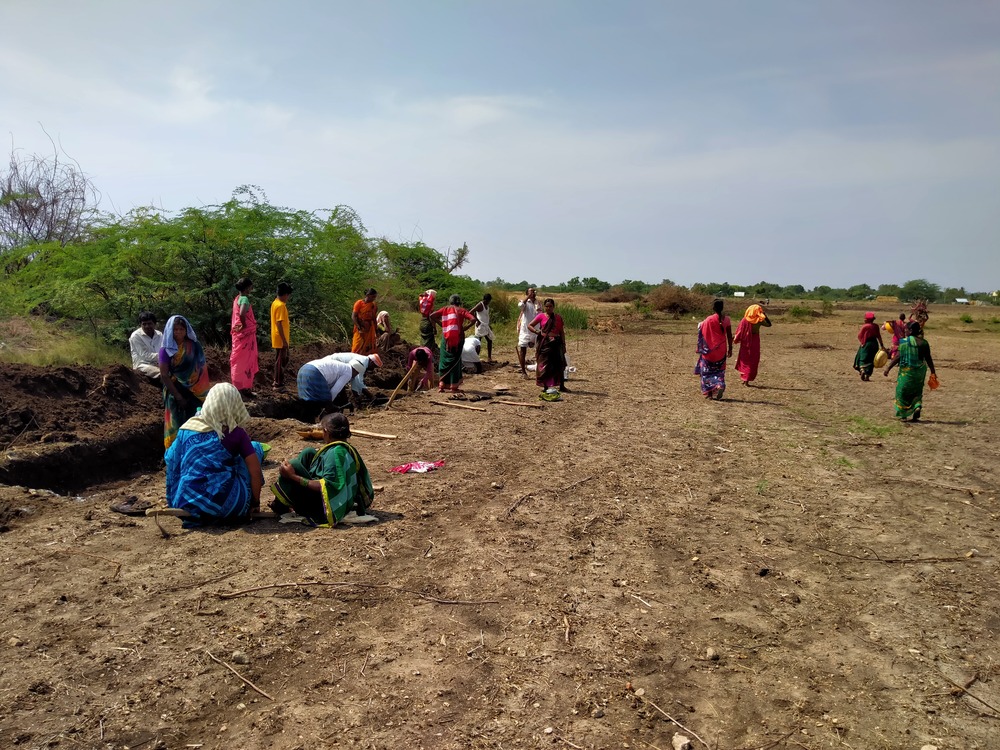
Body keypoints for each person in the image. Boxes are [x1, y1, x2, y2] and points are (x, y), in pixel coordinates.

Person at [165, 383, 266, 523]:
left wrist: (173, 495)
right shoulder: (236, 433)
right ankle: (234, 502)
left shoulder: (187, 428)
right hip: (226, 506)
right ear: (234, 404)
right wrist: (255, 503)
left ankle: (197, 507)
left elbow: (171, 458)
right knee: (255, 449)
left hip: (187, 502)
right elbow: (254, 472)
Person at [271, 413, 374, 527]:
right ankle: (282, 501)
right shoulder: (344, 447)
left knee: (294, 465)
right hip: (342, 496)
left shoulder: (335, 453)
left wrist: (292, 476)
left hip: (326, 507)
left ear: (326, 432)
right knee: (308, 453)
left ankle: (281, 504)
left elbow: (326, 486)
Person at [159, 315, 211, 449]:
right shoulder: (165, 350)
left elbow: (201, 368)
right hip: (175, 389)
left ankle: (197, 449)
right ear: (170, 331)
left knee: (196, 419)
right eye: (175, 329)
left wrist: (200, 389)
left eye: (181, 329)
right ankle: (176, 452)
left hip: (195, 390)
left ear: (186, 330)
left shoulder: (193, 346)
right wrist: (178, 396)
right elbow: (164, 375)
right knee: (177, 423)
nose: (178, 332)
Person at [884, 321, 936, 421]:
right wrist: (933, 371)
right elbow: (928, 358)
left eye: (906, 330)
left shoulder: (904, 342)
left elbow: (898, 356)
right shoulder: (924, 343)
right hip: (920, 372)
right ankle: (917, 406)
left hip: (907, 373)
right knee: (917, 391)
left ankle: (903, 415)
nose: (905, 331)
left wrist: (888, 368)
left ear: (911, 330)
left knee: (902, 391)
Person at [429, 294, 476, 393]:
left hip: (446, 338)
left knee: (444, 360)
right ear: (459, 301)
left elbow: (432, 316)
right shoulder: (461, 310)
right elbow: (473, 319)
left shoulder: (444, 309)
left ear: (450, 301)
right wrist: (464, 328)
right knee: (456, 361)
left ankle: (441, 385)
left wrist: (442, 324)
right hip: (458, 337)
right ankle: (453, 386)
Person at [526, 298, 567, 400]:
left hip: (556, 343)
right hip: (545, 343)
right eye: (547, 306)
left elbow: (561, 331)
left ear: (554, 307)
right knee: (544, 364)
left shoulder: (558, 317)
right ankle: (545, 386)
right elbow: (530, 325)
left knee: (559, 364)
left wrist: (563, 344)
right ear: (544, 307)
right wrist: (537, 332)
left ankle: (561, 385)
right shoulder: (541, 316)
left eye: (550, 306)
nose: (548, 308)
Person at [694, 299, 733, 400]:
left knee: (706, 372)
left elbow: (701, 330)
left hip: (709, 350)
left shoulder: (708, 319)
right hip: (721, 350)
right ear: (722, 307)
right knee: (719, 370)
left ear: (713, 308)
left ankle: (710, 393)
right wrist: (730, 349)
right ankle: (720, 385)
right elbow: (729, 336)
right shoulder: (727, 319)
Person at [296, 354, 364, 410]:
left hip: (304, 369)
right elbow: (335, 390)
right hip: (315, 372)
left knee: (306, 398)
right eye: (357, 374)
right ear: (356, 371)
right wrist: (330, 405)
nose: (355, 376)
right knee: (323, 398)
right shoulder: (348, 372)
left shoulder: (342, 366)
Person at [229, 277, 258, 397]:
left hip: (240, 336)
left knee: (240, 361)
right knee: (245, 362)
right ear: (247, 288)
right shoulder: (244, 299)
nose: (252, 289)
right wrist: (245, 326)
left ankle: (242, 388)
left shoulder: (237, 299)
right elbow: (242, 314)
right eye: (251, 287)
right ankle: (243, 389)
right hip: (244, 335)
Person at [733, 304, 772, 386]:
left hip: (745, 342)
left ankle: (744, 378)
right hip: (754, 341)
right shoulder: (759, 320)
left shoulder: (745, 320)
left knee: (745, 360)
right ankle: (747, 379)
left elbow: (739, 331)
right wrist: (764, 316)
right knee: (752, 360)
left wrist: (736, 339)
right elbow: (769, 324)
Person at [270, 282, 292, 389]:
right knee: (280, 361)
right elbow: (279, 323)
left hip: (278, 337)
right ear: (285, 294)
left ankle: (277, 381)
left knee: (280, 360)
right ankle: (278, 383)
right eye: (288, 295)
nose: (288, 298)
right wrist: (284, 340)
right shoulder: (281, 306)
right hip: (280, 338)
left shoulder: (275, 303)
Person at [853, 312, 886, 381]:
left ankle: (862, 370)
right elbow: (879, 336)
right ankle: (867, 375)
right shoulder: (876, 326)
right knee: (872, 359)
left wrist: (862, 342)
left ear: (867, 319)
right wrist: (882, 345)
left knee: (862, 358)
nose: (864, 319)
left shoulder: (865, 326)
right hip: (874, 344)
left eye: (865, 318)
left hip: (866, 343)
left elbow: (859, 335)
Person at [129, 311, 163, 380]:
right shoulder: (135, 336)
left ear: (154, 324)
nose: (147, 326)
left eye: (149, 323)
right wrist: (163, 356)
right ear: (140, 325)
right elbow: (145, 355)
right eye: (144, 324)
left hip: (160, 362)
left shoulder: (159, 335)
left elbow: (164, 349)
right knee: (163, 374)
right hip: (143, 365)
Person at [516, 287, 538, 376]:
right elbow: (520, 306)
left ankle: (539, 368)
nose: (533, 293)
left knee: (539, 349)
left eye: (534, 291)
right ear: (527, 294)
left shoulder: (538, 303)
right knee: (523, 350)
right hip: (525, 330)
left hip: (536, 330)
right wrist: (527, 297)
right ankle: (523, 372)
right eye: (531, 292)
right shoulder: (525, 302)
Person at [351, 288, 378, 355]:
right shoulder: (359, 303)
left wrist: (376, 330)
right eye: (373, 296)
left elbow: (374, 318)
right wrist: (359, 327)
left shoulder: (373, 306)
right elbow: (354, 316)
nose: (374, 298)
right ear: (368, 295)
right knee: (357, 344)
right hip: (360, 328)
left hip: (369, 328)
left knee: (367, 346)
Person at [469, 293, 494, 363]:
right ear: (486, 300)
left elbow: (486, 316)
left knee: (489, 340)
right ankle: (476, 358)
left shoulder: (486, 305)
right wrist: (477, 320)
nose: (489, 302)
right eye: (488, 301)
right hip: (480, 326)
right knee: (478, 342)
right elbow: (470, 312)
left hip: (486, 325)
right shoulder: (480, 305)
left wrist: (489, 324)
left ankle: (489, 358)